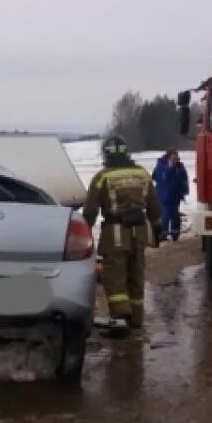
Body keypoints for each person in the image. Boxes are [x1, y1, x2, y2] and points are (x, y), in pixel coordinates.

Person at [83, 135, 163, 337]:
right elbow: (154, 206)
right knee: (136, 275)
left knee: (115, 277)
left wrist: (85, 232)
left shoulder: (103, 177)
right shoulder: (142, 174)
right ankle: (136, 319)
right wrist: (157, 228)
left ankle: (120, 321)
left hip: (116, 234)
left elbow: (90, 209)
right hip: (140, 233)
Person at [151, 149, 189, 241]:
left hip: (175, 195)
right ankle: (163, 234)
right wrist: (170, 167)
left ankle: (175, 233)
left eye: (176, 157)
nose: (175, 159)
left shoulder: (179, 167)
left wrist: (184, 192)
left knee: (175, 214)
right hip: (163, 194)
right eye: (173, 157)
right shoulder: (161, 165)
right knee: (165, 214)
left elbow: (183, 180)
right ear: (169, 156)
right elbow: (162, 177)